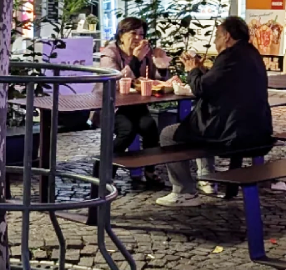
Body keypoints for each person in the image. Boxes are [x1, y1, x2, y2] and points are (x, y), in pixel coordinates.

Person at [156, 16, 273, 207]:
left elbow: (201, 89)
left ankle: (184, 191)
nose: (216, 42)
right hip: (257, 128)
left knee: (169, 134)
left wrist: (192, 70)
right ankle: (204, 178)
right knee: (196, 126)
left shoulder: (229, 57)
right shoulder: (251, 54)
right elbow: (219, 82)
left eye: (217, 37)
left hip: (232, 133)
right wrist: (200, 68)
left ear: (227, 36)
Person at [98, 17, 171, 183]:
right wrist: (136, 59)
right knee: (127, 131)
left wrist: (161, 65)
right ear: (121, 35)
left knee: (150, 127)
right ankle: (105, 172)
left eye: (141, 34)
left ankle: (150, 171)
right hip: (112, 106)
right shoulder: (110, 53)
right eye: (134, 33)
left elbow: (154, 78)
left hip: (135, 105)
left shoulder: (145, 53)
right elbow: (113, 81)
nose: (139, 38)